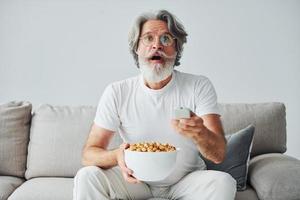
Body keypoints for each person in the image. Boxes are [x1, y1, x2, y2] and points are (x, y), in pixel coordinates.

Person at [73, 10, 236, 200]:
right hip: (135, 181)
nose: (157, 45)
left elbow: (218, 154)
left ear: (176, 49)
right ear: (137, 48)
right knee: (87, 176)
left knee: (223, 183)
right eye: (148, 38)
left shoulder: (198, 86)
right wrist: (117, 155)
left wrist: (201, 134)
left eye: (166, 39)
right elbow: (89, 154)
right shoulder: (117, 91)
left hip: (186, 182)